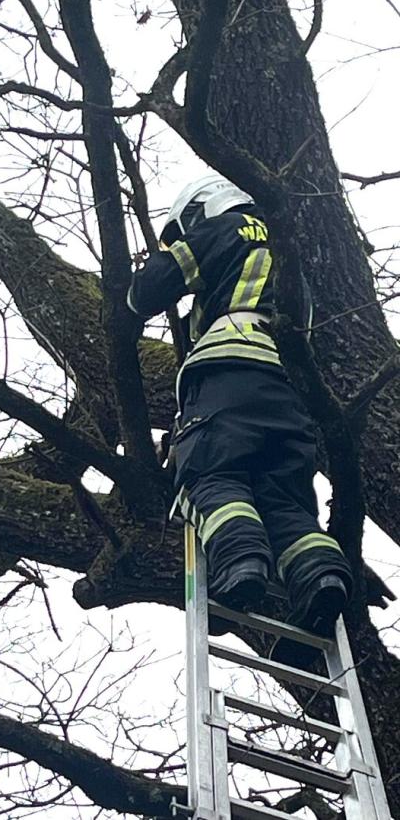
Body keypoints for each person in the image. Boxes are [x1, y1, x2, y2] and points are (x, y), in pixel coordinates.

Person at [127, 171, 353, 666]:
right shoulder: (292, 260)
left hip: (229, 370)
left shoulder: (224, 229)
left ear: (200, 210)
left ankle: (240, 560)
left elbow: (149, 290)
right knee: (284, 499)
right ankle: (321, 575)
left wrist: (146, 277)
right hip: (290, 396)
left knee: (210, 475)